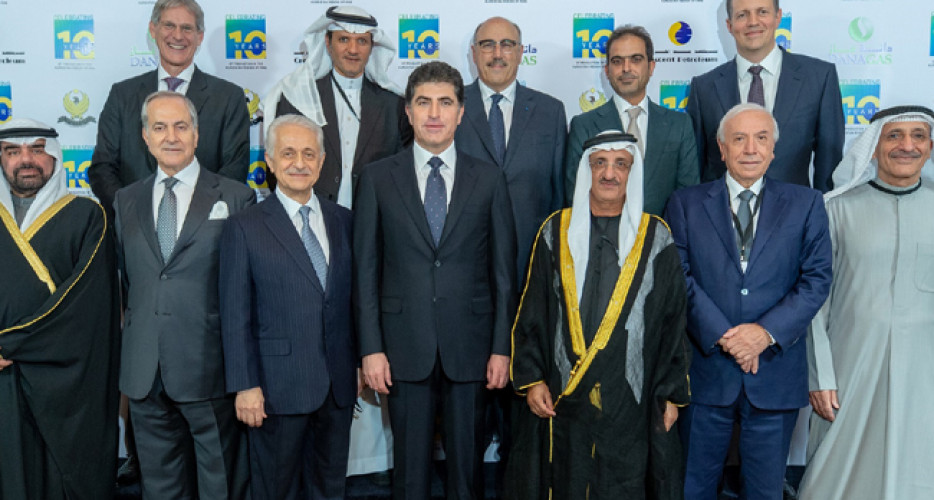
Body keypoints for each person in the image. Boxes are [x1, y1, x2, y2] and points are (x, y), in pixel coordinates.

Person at [354, 61, 517, 499]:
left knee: (468, 474)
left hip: (472, 346)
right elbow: (365, 271)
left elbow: (503, 273)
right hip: (402, 346)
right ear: (408, 111)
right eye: (423, 102)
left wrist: (502, 347)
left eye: (445, 102)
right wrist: (371, 349)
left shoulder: (489, 179)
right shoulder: (377, 178)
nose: (434, 113)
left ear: (461, 112)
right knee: (410, 476)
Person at [507, 131, 690, 500]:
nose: (609, 174)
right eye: (599, 164)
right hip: (563, 394)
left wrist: (671, 394)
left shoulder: (656, 236)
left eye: (621, 164)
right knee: (567, 478)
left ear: (631, 173)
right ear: (585, 170)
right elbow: (533, 311)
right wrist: (533, 380)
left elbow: (673, 321)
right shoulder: (554, 230)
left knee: (623, 480)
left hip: (629, 399)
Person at [664, 103, 832, 500]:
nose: (750, 149)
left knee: (765, 492)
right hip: (705, 374)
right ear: (722, 149)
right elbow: (677, 277)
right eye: (739, 139)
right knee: (692, 488)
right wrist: (725, 336)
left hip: (774, 374)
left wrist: (763, 334)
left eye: (761, 138)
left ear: (774, 149)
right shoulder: (684, 203)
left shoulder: (807, 203)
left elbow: (816, 279)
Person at [115, 91, 254, 499]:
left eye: (180, 126)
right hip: (144, 371)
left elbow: (245, 291)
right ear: (145, 136)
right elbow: (128, 283)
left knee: (220, 485)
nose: (171, 136)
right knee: (159, 488)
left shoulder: (236, 196)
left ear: (196, 133)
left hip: (210, 368)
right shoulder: (125, 200)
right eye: (159, 127)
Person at [797, 105, 934, 500]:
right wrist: (821, 377)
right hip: (850, 367)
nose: (907, 146)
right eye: (894, 136)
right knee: (837, 476)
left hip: (923, 373)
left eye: (918, 136)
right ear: (873, 146)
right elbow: (815, 303)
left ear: (930, 147)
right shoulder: (835, 209)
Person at [219, 114, 357, 499]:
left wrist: (359, 362)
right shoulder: (243, 226)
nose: (299, 163)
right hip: (275, 390)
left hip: (337, 388)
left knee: (330, 490)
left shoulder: (344, 221)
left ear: (322, 161)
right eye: (288, 153)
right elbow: (234, 315)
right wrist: (245, 385)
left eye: (309, 154)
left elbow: (351, 302)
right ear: (270, 160)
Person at [0, 118, 120, 499]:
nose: (26, 159)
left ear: (54, 156)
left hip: (64, 380)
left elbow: (87, 303)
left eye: (37, 149)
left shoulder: (88, 216)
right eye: (13, 151)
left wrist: (11, 344)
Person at [91, 0, 250, 218]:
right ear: (153, 30)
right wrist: (131, 216)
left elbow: (234, 170)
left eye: (187, 28)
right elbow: (103, 168)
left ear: (199, 36)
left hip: (204, 229)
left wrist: (194, 222)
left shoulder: (228, 97)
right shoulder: (122, 95)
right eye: (169, 26)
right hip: (132, 228)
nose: (177, 36)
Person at [686, 0, 843, 193]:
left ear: (778, 17)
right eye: (742, 15)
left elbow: (829, 163)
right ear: (729, 25)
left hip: (794, 208)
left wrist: (822, 208)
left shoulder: (819, 78)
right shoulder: (704, 88)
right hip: (723, 209)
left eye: (762, 12)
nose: (753, 22)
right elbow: (696, 167)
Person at [265, 5, 412, 206]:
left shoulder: (394, 105)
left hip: (374, 218)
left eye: (362, 41)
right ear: (328, 43)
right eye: (344, 39)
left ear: (372, 47)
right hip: (312, 215)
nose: (353, 50)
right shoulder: (298, 97)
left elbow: (403, 171)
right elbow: (276, 168)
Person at [456, 16, 567, 281]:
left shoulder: (550, 111)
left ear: (520, 53)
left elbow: (560, 194)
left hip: (531, 262)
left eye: (506, 44)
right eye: (487, 45)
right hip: (463, 261)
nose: (497, 54)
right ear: (474, 53)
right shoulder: (450, 106)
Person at [566, 25, 698, 215]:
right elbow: (576, 192)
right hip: (600, 232)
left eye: (636, 59)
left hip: (665, 231)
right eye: (617, 61)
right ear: (607, 70)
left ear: (651, 67)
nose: (626, 68)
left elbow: (688, 194)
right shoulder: (583, 125)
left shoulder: (679, 125)